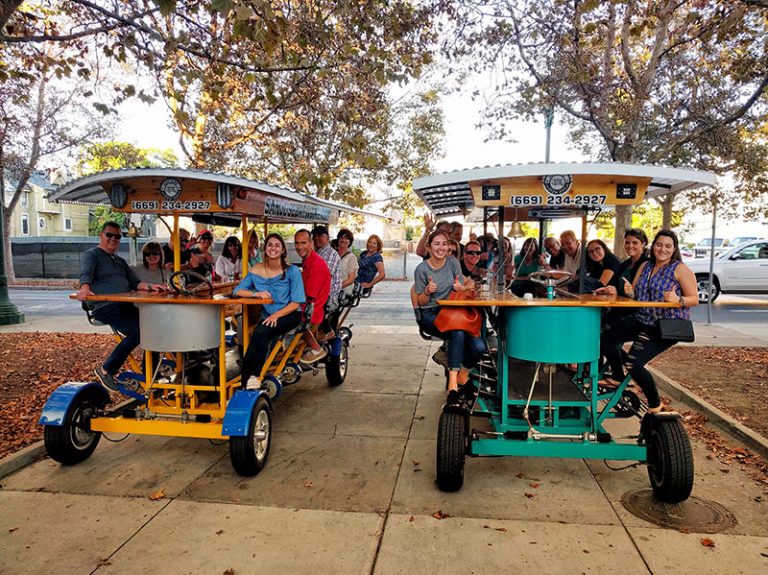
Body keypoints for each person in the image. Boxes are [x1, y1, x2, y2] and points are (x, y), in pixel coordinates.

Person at [599, 230, 698, 410]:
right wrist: (624, 292)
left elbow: (694, 299)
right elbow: (634, 292)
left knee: (633, 363)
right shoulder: (646, 266)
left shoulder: (680, 269)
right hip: (642, 319)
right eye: (659, 245)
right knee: (602, 339)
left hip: (665, 325)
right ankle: (618, 377)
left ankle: (655, 406)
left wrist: (679, 300)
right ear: (653, 247)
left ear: (674, 248)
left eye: (668, 246)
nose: (663, 249)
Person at [76, 221, 169, 391]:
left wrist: (152, 286)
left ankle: (150, 375)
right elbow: (85, 274)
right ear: (101, 235)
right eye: (109, 235)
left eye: (117, 236)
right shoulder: (92, 255)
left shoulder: (120, 261)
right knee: (139, 332)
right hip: (105, 306)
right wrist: (84, 288)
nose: (113, 239)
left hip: (124, 305)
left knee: (155, 327)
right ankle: (106, 370)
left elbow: (135, 283)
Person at [414, 229, 487, 406]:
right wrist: (426, 291)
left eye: (444, 244)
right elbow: (421, 302)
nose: (441, 247)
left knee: (479, 347)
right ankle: (452, 385)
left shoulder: (453, 262)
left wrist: (462, 287)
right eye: (437, 244)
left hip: (453, 312)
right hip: (431, 313)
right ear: (429, 247)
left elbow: (466, 283)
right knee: (458, 333)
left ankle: (462, 376)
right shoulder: (422, 269)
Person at [234, 233, 305, 390]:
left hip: (289, 314)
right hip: (268, 317)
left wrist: (275, 315)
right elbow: (238, 291)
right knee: (259, 334)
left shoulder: (292, 271)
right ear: (265, 249)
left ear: (282, 250)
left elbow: (296, 303)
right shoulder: (257, 269)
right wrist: (255, 293)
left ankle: (251, 376)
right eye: (270, 245)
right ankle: (248, 380)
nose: (273, 248)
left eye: (277, 245)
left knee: (261, 331)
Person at [294, 229, 331, 364]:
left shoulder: (315, 263)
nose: (299, 247)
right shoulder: (308, 260)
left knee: (277, 314)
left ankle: (316, 349)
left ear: (311, 243)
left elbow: (309, 295)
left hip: (312, 310)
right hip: (311, 306)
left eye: (303, 243)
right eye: (297, 243)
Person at [312, 225, 342, 308]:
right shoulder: (318, 253)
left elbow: (324, 276)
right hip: (320, 297)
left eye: (320, 235)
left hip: (328, 299)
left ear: (328, 237)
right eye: (315, 236)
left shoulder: (330, 254)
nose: (317, 238)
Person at [336, 228, 359, 297]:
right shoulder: (334, 255)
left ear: (350, 241)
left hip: (343, 293)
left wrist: (336, 288)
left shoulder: (351, 258)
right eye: (341, 238)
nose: (343, 240)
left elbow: (351, 279)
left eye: (346, 238)